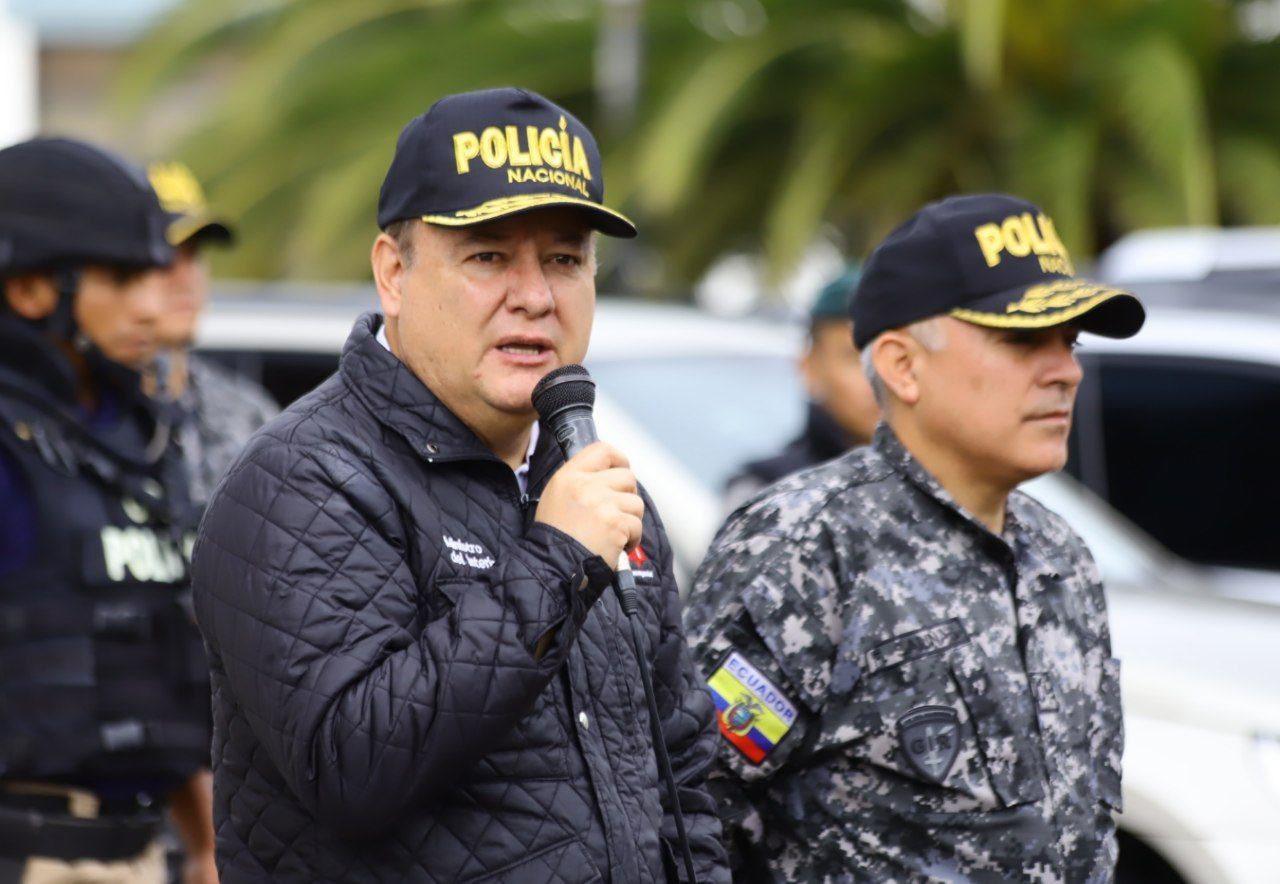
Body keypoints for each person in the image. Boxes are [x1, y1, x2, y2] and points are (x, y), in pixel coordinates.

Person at [191, 87, 729, 882]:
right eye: (488, 256)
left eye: (564, 258)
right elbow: (353, 769)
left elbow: (681, 775)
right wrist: (555, 562)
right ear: (393, 272)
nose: (536, 296)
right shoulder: (300, 479)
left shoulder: (595, 487)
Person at [684, 194, 1142, 882]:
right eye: (1023, 340)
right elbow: (689, 815)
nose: (1065, 371)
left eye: (1069, 342)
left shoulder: (1061, 557)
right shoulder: (806, 545)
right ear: (902, 365)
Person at [0, 138, 216, 883]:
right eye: (124, 278)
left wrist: (207, 843)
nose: (156, 305)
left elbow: (152, 660)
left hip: (138, 852)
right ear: (31, 291)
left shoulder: (133, 436)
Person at [146, 160, 277, 507]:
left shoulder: (248, 415)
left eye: (194, 255)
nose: (185, 277)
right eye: (163, 257)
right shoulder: (80, 416)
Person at [723, 268, 878, 511]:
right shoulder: (767, 492)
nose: (876, 377)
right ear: (809, 367)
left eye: (891, 358)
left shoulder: (940, 480)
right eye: (854, 358)